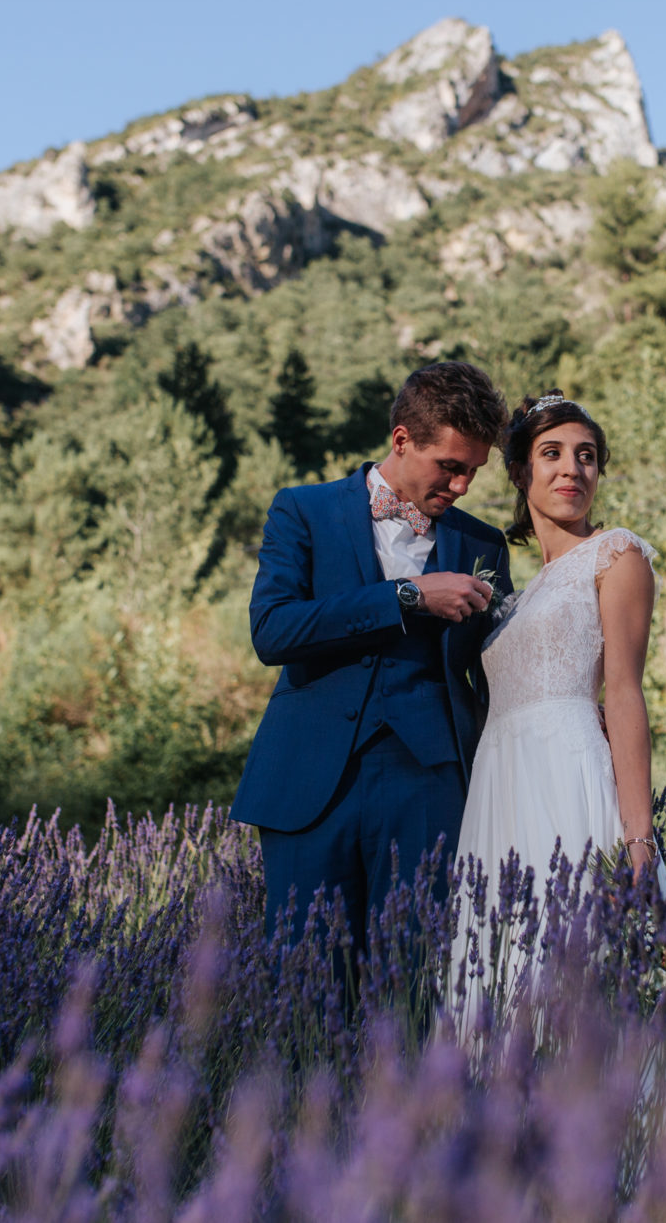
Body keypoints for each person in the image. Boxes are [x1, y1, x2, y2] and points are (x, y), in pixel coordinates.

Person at [231, 362, 513, 959]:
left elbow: (495, 669)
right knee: (303, 983)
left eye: (473, 472)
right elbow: (272, 630)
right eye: (450, 467)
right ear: (402, 440)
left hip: (430, 783)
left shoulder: (481, 543)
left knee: (413, 986)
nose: (462, 486)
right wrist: (407, 596)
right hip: (309, 780)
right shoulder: (301, 510)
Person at [452, 390, 661, 1015]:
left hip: (566, 781)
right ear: (521, 471)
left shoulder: (616, 556)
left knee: (582, 977)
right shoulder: (511, 595)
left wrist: (640, 839)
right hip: (497, 792)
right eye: (552, 453)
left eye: (587, 455)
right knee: (498, 978)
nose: (572, 468)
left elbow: (624, 693)